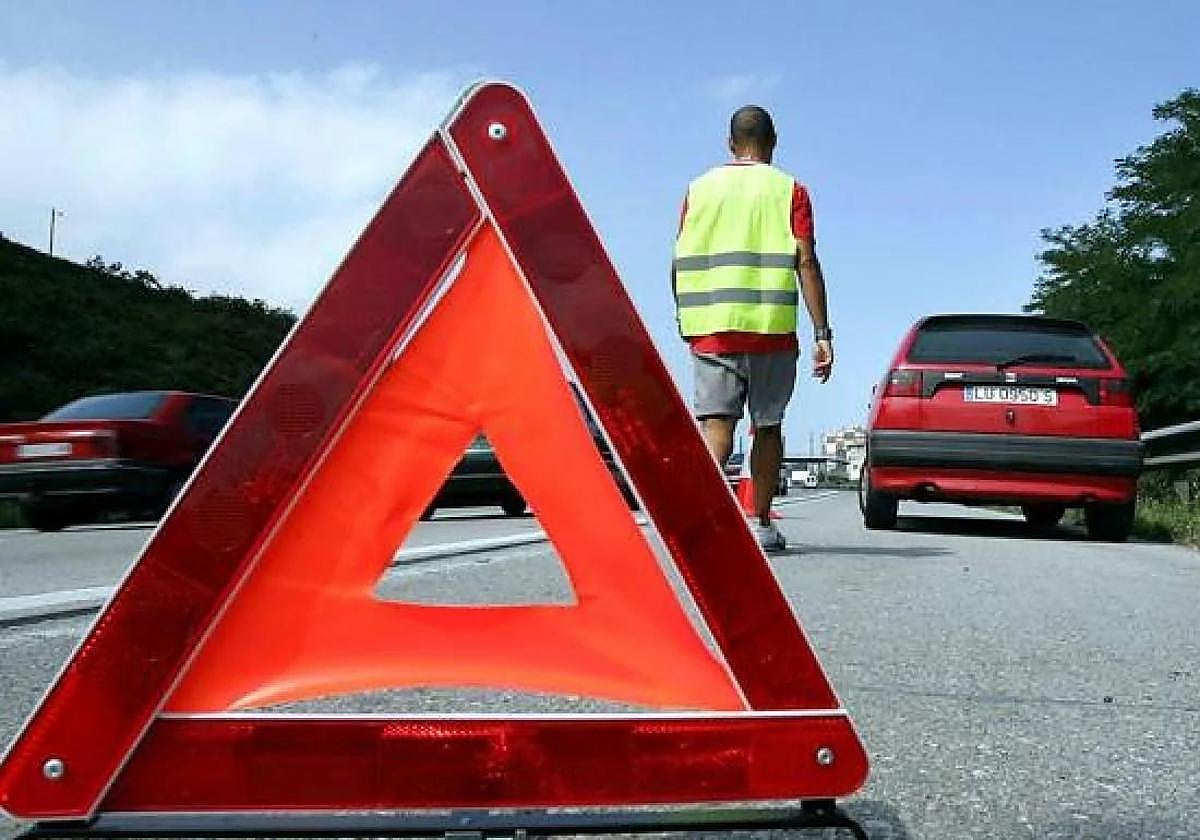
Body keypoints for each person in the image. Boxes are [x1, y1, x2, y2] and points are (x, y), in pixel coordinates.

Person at [673, 104, 833, 552]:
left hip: (711, 326)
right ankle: (759, 522)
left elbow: (680, 256)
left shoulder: (698, 189)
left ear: (730, 145)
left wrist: (684, 319)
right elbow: (806, 259)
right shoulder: (790, 191)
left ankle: (700, 522)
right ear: (773, 144)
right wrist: (823, 334)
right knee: (767, 427)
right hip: (771, 328)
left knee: (715, 426)